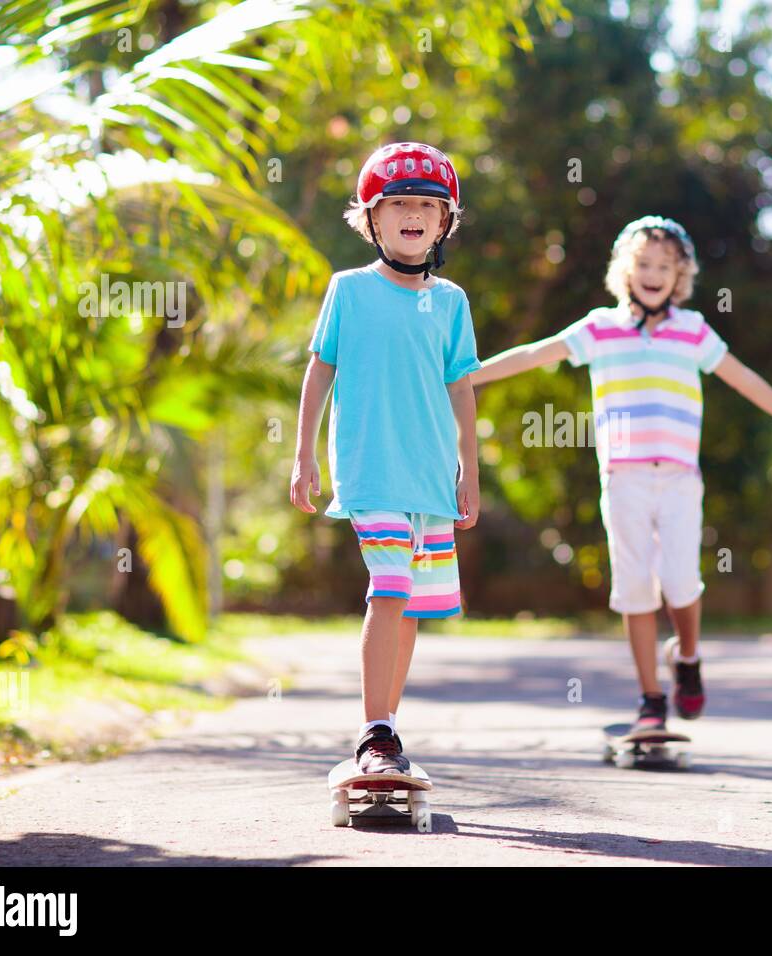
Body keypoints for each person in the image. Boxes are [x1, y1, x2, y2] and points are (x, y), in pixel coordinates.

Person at [472, 216, 772, 732]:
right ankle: (651, 699)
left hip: (677, 479)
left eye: (664, 267)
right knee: (635, 588)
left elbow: (746, 380)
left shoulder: (692, 332)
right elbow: (537, 353)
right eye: (644, 264)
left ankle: (686, 657)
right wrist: (465, 375)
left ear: (679, 277)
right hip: (622, 479)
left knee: (679, 583)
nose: (653, 274)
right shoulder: (599, 328)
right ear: (625, 270)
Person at [291, 142, 481, 775]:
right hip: (370, 471)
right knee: (391, 587)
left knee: (412, 605)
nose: (413, 214)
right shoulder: (348, 291)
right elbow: (320, 371)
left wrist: (470, 470)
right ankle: (374, 734)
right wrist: (304, 456)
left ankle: (388, 730)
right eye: (398, 203)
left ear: (445, 222)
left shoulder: (451, 301)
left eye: (428, 205)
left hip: (430, 477)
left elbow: (461, 387)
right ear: (371, 217)